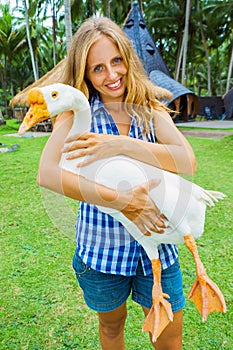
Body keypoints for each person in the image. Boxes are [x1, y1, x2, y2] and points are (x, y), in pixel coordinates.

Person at [37, 17, 196, 350]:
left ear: (128, 58)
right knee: (111, 330)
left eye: (116, 61)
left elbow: (186, 161)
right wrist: (122, 200)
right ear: (85, 73)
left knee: (169, 339)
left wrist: (121, 144)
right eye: (98, 68)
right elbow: (48, 174)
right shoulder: (74, 116)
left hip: (157, 248)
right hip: (100, 250)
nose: (111, 75)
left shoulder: (151, 108)